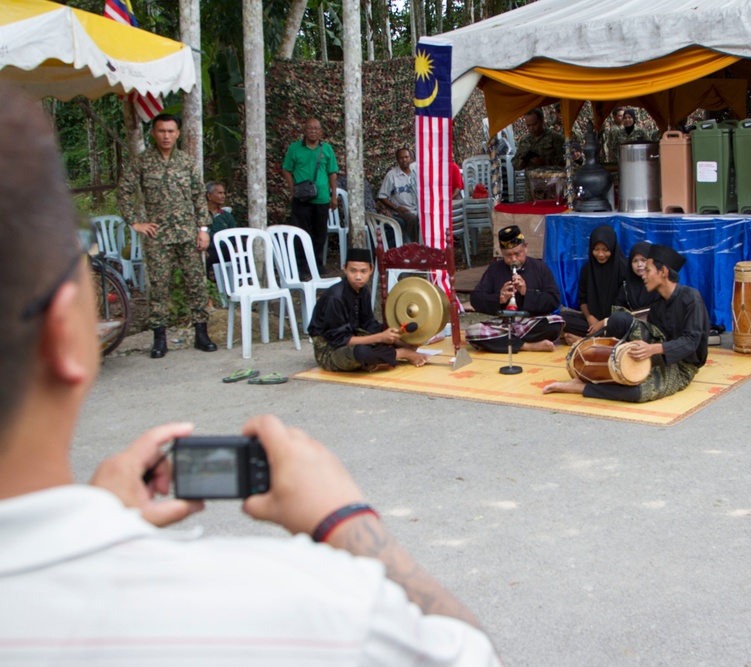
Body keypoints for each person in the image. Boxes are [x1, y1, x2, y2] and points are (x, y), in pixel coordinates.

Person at [0, 85, 499, 665]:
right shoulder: (288, 600)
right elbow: (469, 653)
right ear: (68, 334)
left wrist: (95, 523)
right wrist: (345, 521)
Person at [544, 244, 709, 402]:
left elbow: (691, 342)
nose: (643, 275)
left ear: (663, 272)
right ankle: (590, 362)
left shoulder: (691, 297)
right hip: (658, 354)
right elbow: (652, 333)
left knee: (639, 392)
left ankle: (582, 388)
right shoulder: (658, 304)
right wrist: (636, 347)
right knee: (619, 319)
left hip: (682, 366)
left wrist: (652, 349)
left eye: (648, 270)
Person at [119, 112, 218, 359]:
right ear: (153, 133)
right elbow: (124, 190)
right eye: (162, 131)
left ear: (178, 134)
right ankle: (159, 339)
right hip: (158, 236)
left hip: (187, 233)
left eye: (171, 131)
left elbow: (198, 195)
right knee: (159, 288)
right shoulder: (143, 162)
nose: (166, 136)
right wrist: (135, 223)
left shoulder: (186, 162)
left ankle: (201, 334)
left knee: (196, 284)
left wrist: (203, 229)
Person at [308, 248, 429, 371]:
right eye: (353, 271)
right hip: (330, 349)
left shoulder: (363, 290)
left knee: (383, 338)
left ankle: (387, 355)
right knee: (361, 353)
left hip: (354, 336)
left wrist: (398, 340)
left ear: (371, 270)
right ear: (345, 268)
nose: (358, 277)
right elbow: (340, 340)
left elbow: (369, 325)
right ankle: (402, 354)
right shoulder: (335, 297)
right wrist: (381, 337)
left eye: (363, 271)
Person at [466, 225, 565, 353]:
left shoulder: (540, 267)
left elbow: (554, 300)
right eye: (508, 255)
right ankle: (526, 346)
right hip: (504, 324)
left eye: (518, 253)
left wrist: (526, 293)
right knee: (472, 331)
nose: (513, 259)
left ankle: (505, 343)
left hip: (531, 323)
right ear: (501, 252)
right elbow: (476, 298)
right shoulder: (494, 269)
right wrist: (499, 299)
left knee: (555, 323)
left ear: (526, 247)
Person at [282, 118, 339, 278]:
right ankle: (301, 267)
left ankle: (317, 265)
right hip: (301, 199)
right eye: (310, 128)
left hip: (322, 198)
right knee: (299, 234)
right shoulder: (294, 148)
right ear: (304, 130)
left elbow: (332, 173)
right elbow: (286, 169)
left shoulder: (327, 149)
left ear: (321, 131)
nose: (313, 131)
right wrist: (292, 189)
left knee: (320, 234)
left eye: (316, 128)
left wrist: (333, 195)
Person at [562, 225, 629, 341]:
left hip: (613, 322)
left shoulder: (623, 269)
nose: (600, 254)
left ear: (612, 248)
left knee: (624, 327)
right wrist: (589, 317)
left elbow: (623, 307)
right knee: (562, 319)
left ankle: (582, 340)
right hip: (591, 323)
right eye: (596, 249)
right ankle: (597, 338)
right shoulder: (587, 269)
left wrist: (604, 322)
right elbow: (583, 299)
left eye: (605, 250)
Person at [377, 147, 420, 243]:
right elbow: (382, 196)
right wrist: (396, 208)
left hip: (418, 208)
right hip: (402, 212)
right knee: (412, 218)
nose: (404, 160)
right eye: (401, 158)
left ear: (410, 158)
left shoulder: (417, 173)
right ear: (397, 160)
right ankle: (415, 245)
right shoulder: (392, 175)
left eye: (406, 157)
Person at [204, 181, 237, 284]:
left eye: (224, 193)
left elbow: (234, 235)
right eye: (219, 193)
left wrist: (236, 247)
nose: (223, 196)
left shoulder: (226, 215)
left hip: (225, 249)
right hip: (209, 249)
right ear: (209, 196)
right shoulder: (202, 215)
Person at [616, 241, 659, 312]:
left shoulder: (659, 285)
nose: (639, 264)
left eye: (643, 260)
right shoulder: (625, 287)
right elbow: (618, 311)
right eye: (635, 261)